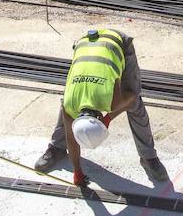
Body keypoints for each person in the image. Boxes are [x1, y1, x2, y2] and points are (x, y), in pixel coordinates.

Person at [33, 27, 168, 186]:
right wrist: (77, 171)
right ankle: (58, 148)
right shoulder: (70, 103)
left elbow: (130, 98)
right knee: (65, 111)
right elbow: (72, 136)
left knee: (135, 104)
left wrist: (109, 117)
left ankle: (148, 157)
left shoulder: (111, 99)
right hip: (85, 45)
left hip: (117, 44)